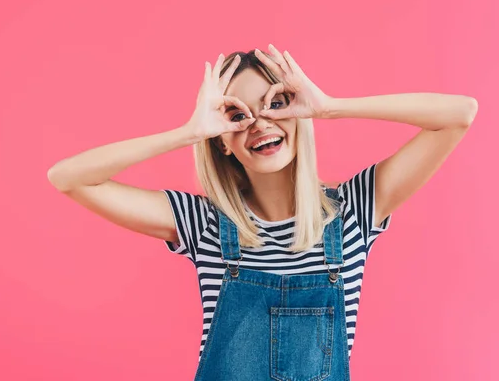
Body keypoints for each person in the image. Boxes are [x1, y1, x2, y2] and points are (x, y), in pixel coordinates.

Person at [47, 44, 477, 380]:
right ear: (222, 140)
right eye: (237, 115)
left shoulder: (353, 212)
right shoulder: (204, 224)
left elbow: (459, 114)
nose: (259, 123)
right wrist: (189, 132)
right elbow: (69, 177)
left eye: (275, 104)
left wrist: (329, 107)